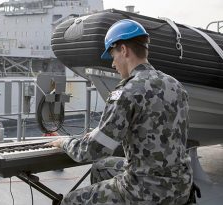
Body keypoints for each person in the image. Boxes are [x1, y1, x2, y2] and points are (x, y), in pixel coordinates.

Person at [48, 19, 193, 205]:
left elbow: (91, 151)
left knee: (70, 200)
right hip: (181, 186)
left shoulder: (127, 91)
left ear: (124, 50)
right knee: (102, 167)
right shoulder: (175, 85)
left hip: (145, 191)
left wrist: (65, 142)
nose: (113, 64)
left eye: (112, 55)